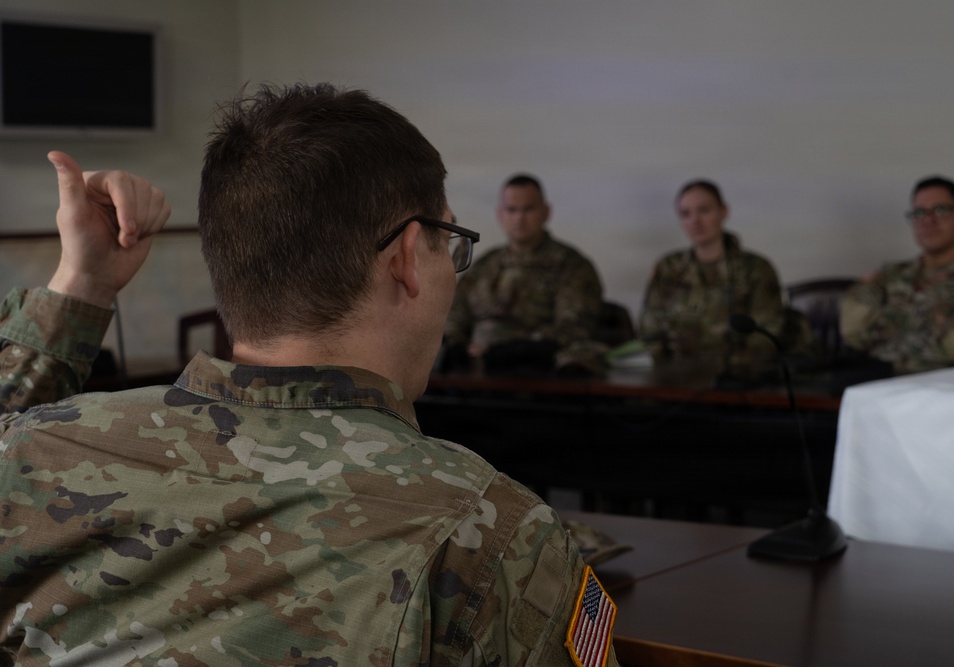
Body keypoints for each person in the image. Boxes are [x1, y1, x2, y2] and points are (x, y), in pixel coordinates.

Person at [0, 86, 619, 667]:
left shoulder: (32, 453)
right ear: (407, 257)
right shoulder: (491, 534)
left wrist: (82, 284)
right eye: (448, 242)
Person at [443, 174, 605, 374]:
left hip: (538, 368)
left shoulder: (572, 266)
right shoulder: (484, 265)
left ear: (545, 212)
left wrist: (509, 350)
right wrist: (457, 345)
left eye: (528, 209)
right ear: (500, 215)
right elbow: (453, 313)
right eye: (512, 210)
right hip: (475, 368)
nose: (519, 218)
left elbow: (573, 329)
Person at [840, 176, 954, 374]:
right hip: (889, 385)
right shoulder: (891, 276)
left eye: (941, 210)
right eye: (919, 212)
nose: (928, 220)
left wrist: (890, 334)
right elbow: (854, 335)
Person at [637, 179, 787, 371]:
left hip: (737, 377)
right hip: (673, 376)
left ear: (723, 212)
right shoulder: (668, 267)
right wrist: (665, 368)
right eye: (685, 214)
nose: (695, 221)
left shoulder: (755, 269)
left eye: (704, 210)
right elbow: (649, 329)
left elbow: (765, 336)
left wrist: (724, 369)